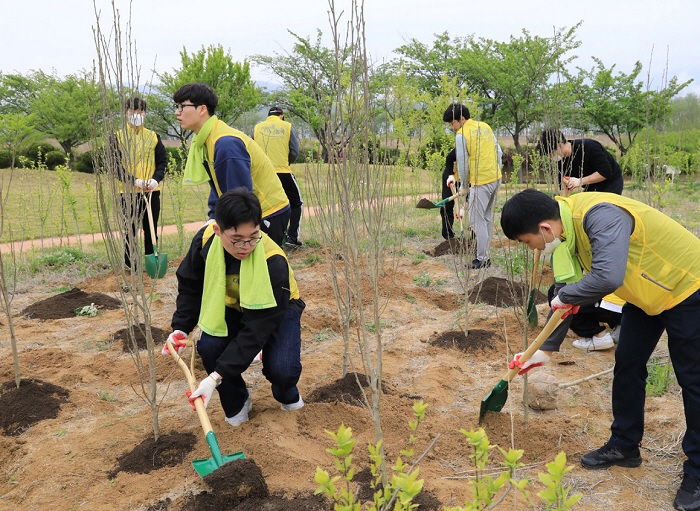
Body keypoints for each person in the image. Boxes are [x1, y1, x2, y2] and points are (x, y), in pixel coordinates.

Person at [500, 188, 700, 511]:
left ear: (545, 230)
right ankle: (625, 445)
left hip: (687, 284)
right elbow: (567, 294)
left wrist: (567, 297)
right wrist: (544, 352)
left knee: (693, 379)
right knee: (628, 363)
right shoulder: (565, 236)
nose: (531, 249)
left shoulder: (599, 216)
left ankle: (698, 472)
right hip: (645, 293)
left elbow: (608, 274)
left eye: (526, 242)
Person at [164, 188, 305, 427]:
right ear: (218, 230)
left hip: (276, 308)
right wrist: (181, 327)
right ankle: (237, 402)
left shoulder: (274, 263)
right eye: (237, 240)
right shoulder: (205, 241)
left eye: (253, 237)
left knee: (282, 369)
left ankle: (287, 395)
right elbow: (191, 285)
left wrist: (215, 377)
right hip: (232, 304)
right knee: (210, 347)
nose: (246, 246)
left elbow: (258, 330)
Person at [173, 83, 290, 245]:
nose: (177, 112)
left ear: (202, 109)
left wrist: (227, 226)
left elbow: (241, 196)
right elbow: (219, 186)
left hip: (266, 213)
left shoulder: (225, 143)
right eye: (176, 107)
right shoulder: (207, 139)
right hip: (249, 210)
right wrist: (214, 216)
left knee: (258, 267)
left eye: (182, 107)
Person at [443, 103, 502, 269]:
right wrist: (496, 171)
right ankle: (485, 253)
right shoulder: (485, 126)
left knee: (476, 221)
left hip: (481, 181)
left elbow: (462, 164)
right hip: (495, 177)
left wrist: (465, 185)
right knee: (487, 217)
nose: (452, 127)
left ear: (461, 119)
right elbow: (499, 152)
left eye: (452, 123)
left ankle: (482, 258)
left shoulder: (462, 134)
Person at [111, 97, 168, 269]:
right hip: (127, 192)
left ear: (145, 113)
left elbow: (162, 162)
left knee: (151, 229)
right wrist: (134, 181)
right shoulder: (117, 137)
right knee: (130, 230)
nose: (136, 115)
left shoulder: (153, 137)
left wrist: (155, 180)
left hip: (151, 192)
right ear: (126, 113)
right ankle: (131, 266)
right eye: (132, 112)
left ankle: (152, 264)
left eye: (140, 112)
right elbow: (115, 166)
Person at [253, 106, 303, 247]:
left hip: (262, 174)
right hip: (283, 172)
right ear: (281, 116)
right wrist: (286, 162)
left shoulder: (257, 128)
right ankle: (292, 238)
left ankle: (260, 238)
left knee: (261, 205)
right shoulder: (287, 126)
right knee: (296, 203)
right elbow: (295, 151)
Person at [538, 128, 623, 195]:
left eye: (550, 154)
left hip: (611, 183)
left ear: (559, 145)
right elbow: (564, 185)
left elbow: (605, 172)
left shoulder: (589, 147)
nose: (550, 158)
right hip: (591, 187)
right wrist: (562, 203)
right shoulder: (561, 161)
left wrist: (580, 181)